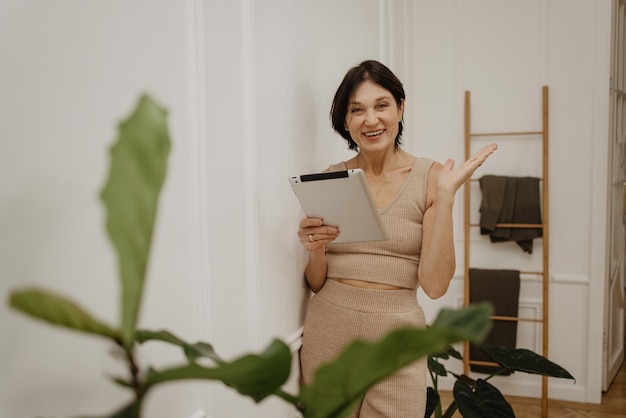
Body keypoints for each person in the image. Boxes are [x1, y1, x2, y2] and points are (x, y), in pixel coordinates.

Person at [297, 59, 497, 417]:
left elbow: (434, 286)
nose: (370, 120)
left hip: (397, 333)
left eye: (381, 105)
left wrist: (447, 196)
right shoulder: (330, 179)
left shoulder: (432, 178)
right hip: (328, 325)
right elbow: (316, 282)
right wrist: (314, 250)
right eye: (356, 110)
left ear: (400, 108)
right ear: (345, 120)